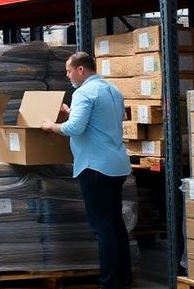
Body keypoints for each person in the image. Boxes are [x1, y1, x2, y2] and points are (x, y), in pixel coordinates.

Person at [41, 52, 132, 289]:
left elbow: (74, 128)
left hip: (95, 166)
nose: (68, 75)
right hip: (117, 165)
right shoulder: (113, 90)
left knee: (102, 228)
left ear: (80, 69)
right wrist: (72, 113)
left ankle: (109, 284)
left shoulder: (83, 92)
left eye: (69, 71)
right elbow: (102, 122)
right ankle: (123, 279)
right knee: (115, 224)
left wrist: (51, 126)